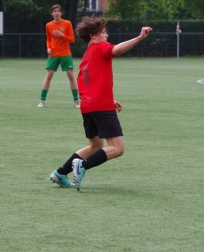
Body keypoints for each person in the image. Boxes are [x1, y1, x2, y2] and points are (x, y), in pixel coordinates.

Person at [49, 16, 152, 191]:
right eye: (103, 32)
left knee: (95, 145)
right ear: (93, 35)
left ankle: (60, 172)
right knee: (117, 148)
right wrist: (139, 37)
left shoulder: (87, 54)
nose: (106, 35)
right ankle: (83, 165)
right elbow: (116, 50)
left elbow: (84, 83)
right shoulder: (100, 47)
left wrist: (107, 98)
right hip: (99, 107)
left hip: (88, 105)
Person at [38, 4, 79, 108]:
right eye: (54, 11)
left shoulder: (67, 23)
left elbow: (72, 39)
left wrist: (63, 35)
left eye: (58, 11)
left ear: (61, 13)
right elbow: (49, 39)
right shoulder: (48, 25)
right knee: (49, 74)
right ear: (52, 13)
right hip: (54, 54)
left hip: (65, 53)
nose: (56, 13)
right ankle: (42, 100)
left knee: (70, 75)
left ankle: (76, 101)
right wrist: (48, 47)